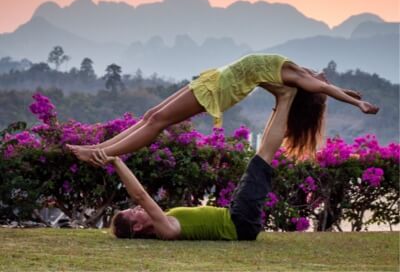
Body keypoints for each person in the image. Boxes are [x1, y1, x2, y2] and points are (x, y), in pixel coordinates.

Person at [67, 53, 379, 164]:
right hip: (215, 79)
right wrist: (349, 92)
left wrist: (357, 103)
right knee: (152, 115)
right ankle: (98, 148)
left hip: (220, 90)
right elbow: (326, 85)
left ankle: (102, 155)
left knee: (158, 121)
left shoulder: (302, 79)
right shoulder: (303, 72)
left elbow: (324, 88)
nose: (326, 78)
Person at [84, 85, 298, 240]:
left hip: (236, 216)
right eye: (133, 213)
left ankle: (282, 103)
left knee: (260, 157)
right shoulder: (166, 229)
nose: (137, 207)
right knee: (263, 158)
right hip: (239, 223)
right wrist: (115, 159)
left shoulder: (166, 221)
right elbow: (140, 194)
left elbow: (140, 199)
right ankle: (287, 98)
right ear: (138, 226)